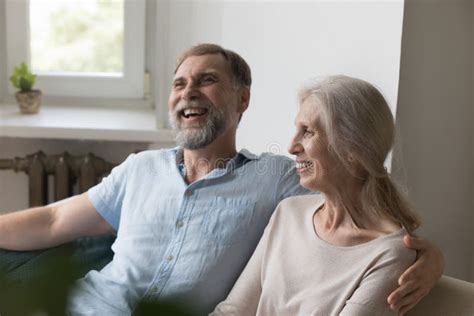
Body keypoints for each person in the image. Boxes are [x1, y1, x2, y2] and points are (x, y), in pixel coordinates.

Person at [0, 44, 443, 315]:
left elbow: (357, 196)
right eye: (179, 83)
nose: (188, 91)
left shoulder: (278, 181)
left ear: (242, 99)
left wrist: (431, 258)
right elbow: (55, 221)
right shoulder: (140, 168)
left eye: (207, 80)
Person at [212, 75, 431, 316]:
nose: (292, 146)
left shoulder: (389, 253)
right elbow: (231, 312)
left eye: (307, 132)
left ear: (352, 148)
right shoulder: (289, 212)